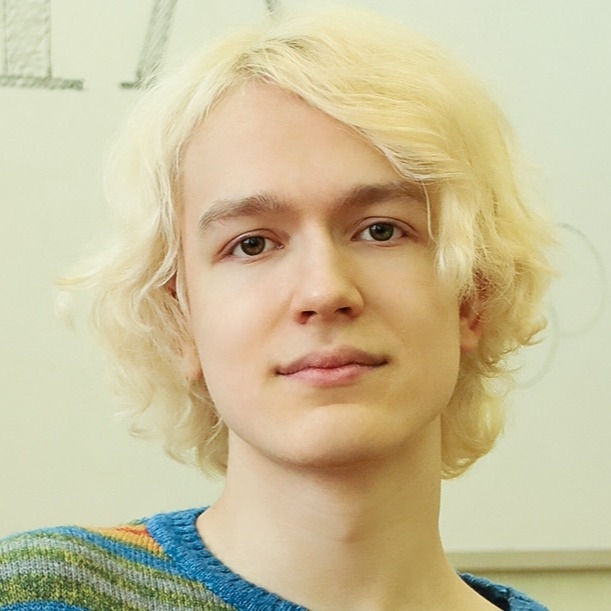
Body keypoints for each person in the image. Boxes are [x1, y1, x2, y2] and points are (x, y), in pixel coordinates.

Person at [0, 6, 554, 610]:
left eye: (381, 230)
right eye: (253, 244)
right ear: (179, 320)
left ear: (473, 295)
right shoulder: (40, 594)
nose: (324, 292)